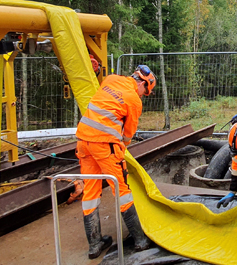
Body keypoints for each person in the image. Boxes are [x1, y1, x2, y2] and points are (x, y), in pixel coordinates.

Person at [75, 65, 156, 259]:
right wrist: (122, 151)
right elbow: (127, 135)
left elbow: (105, 105)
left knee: (91, 191)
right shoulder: (134, 101)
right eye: (146, 92)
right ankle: (140, 239)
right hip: (105, 145)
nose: (144, 95)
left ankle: (94, 244)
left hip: (83, 140)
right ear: (143, 84)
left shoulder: (111, 79)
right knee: (121, 190)